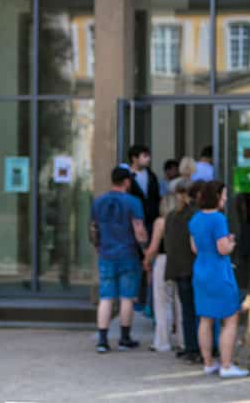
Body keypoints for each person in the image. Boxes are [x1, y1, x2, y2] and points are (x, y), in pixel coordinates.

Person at [190, 180, 248, 378]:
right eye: (223, 194)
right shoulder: (218, 219)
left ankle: (208, 363)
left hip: (201, 271)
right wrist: (231, 242)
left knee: (205, 319)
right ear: (216, 196)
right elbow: (222, 249)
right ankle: (226, 365)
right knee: (230, 318)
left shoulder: (195, 219)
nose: (225, 198)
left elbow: (194, 248)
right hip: (219, 272)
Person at [90, 167, 148, 353]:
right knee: (126, 298)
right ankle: (124, 338)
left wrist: (99, 247)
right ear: (126, 182)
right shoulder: (133, 202)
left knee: (105, 298)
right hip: (128, 254)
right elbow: (138, 230)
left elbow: (93, 229)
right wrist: (145, 248)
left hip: (106, 254)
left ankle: (102, 340)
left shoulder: (98, 202)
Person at [163, 181, 200, 362]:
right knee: (196, 310)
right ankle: (197, 347)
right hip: (192, 269)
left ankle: (190, 346)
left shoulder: (171, 216)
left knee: (186, 311)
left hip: (177, 269)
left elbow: (169, 244)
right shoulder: (194, 215)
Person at [143, 193, 184, 352]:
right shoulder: (183, 220)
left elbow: (153, 247)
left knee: (162, 303)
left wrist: (146, 261)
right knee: (180, 303)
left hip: (163, 261)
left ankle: (162, 341)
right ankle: (184, 340)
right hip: (180, 261)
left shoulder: (160, 222)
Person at [127, 144, 161, 311]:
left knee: (149, 260)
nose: (148, 158)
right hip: (133, 224)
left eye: (148, 155)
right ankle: (136, 297)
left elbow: (156, 198)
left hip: (151, 222)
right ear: (134, 158)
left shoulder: (152, 176)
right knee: (136, 260)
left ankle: (147, 300)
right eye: (144, 155)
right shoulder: (127, 177)